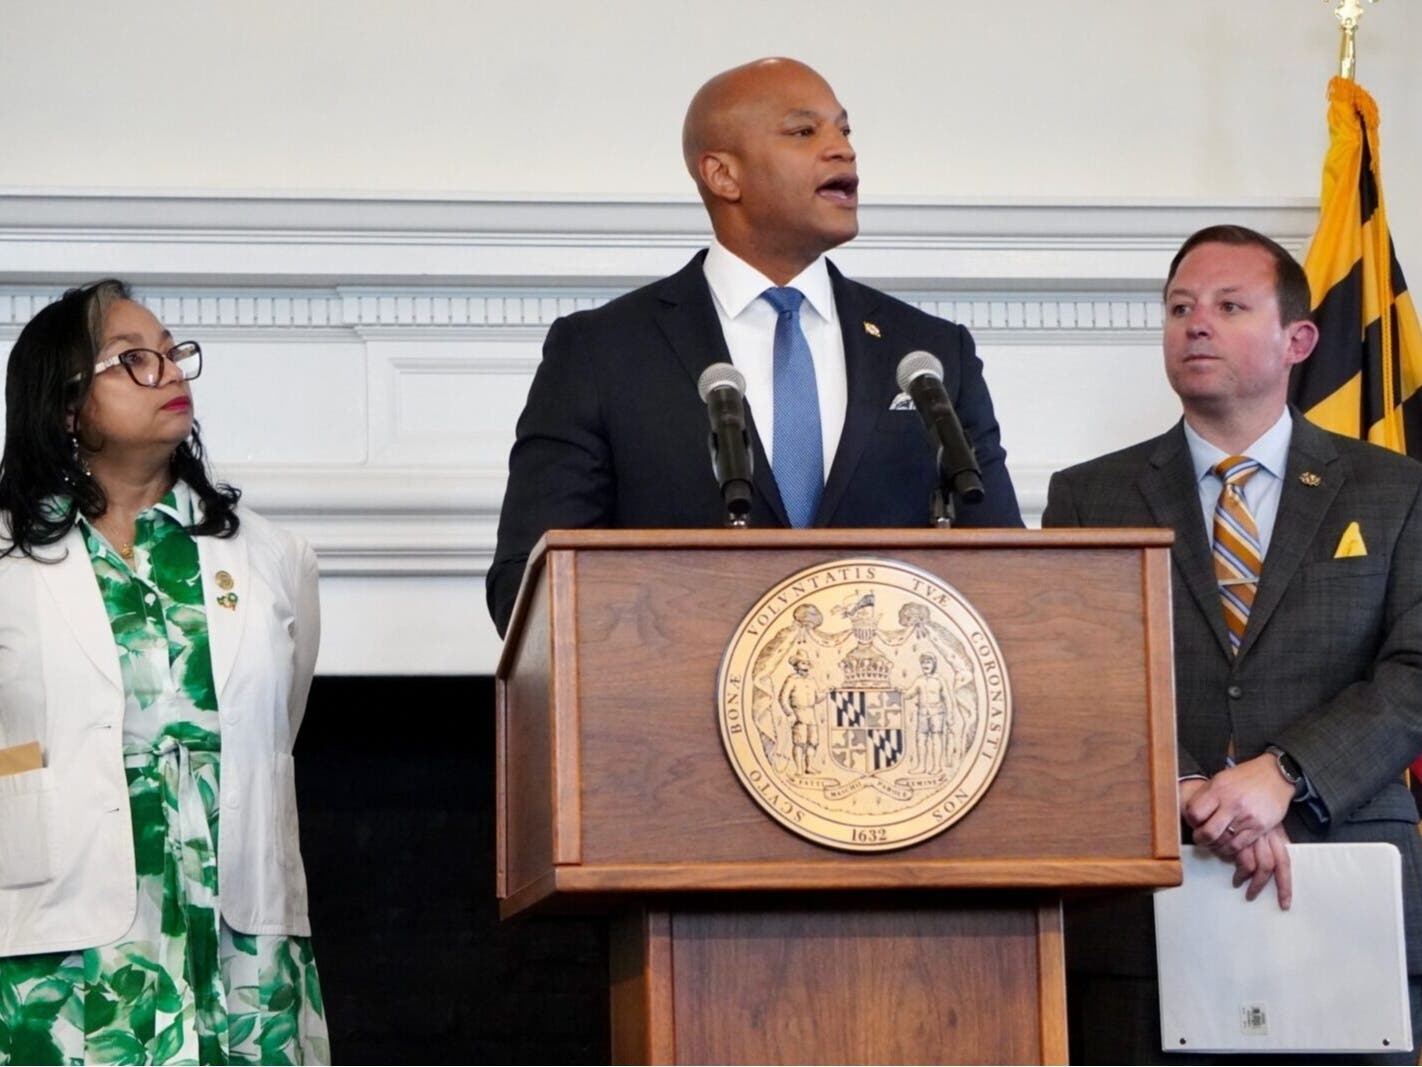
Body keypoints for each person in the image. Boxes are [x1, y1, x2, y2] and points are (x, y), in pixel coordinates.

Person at [1042, 225, 1422, 1063]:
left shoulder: (1397, 488)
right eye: (1180, 307)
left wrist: (1285, 774)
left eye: (1228, 305)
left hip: (1342, 884)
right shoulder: (1088, 495)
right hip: (1144, 896)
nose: (1196, 323)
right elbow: (1073, 678)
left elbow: (1415, 671)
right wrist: (1183, 785)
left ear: (1299, 340)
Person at [487, 57, 1022, 635]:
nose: (842, 149)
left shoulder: (930, 355)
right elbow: (525, 587)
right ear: (722, 175)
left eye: (845, 129)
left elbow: (1011, 574)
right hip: (678, 708)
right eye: (804, 131)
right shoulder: (601, 352)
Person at [0, 280, 328, 1064]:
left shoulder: (273, 557)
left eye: (173, 353)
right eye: (133, 359)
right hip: (56, 939)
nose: (171, 372)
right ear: (66, 405)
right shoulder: (8, 557)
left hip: (241, 937)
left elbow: (276, 723)